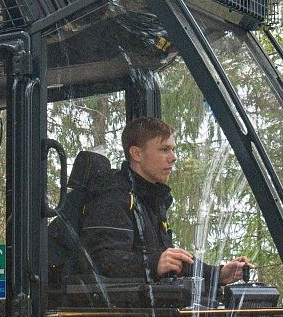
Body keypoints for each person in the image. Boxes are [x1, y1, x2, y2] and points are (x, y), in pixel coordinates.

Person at [81, 116, 251, 286]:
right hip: (119, 303)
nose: (173, 157)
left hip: (148, 301)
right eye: (164, 149)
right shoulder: (112, 197)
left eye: (173, 149)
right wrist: (153, 264)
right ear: (136, 154)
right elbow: (102, 261)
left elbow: (170, 262)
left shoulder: (150, 199)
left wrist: (218, 274)